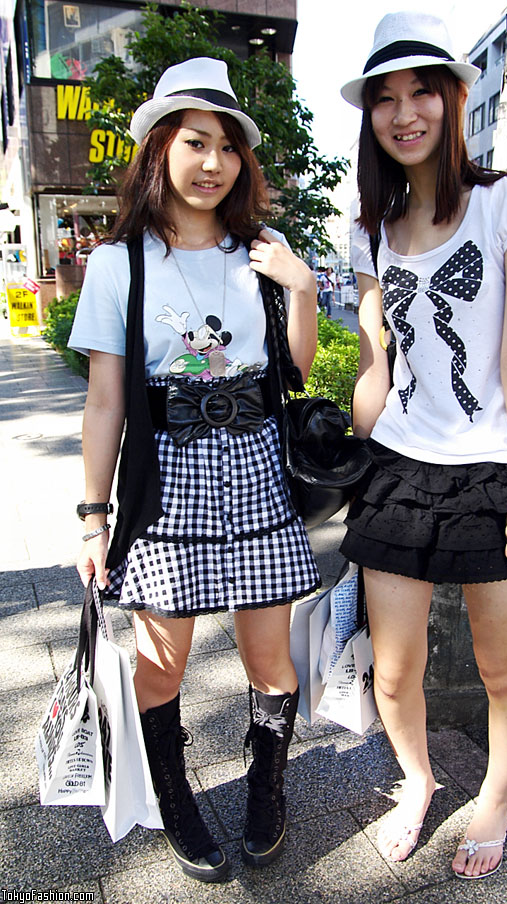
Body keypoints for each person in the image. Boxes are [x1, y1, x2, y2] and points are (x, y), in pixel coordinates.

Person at [68, 57, 320, 882]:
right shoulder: (118, 264)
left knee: (268, 660)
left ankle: (266, 787)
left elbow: (298, 373)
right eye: (195, 142)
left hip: (254, 469)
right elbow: (106, 402)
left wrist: (304, 290)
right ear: (159, 150)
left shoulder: (265, 251)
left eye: (227, 148)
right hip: (166, 479)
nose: (213, 163)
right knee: (161, 661)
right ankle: (174, 796)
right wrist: (92, 518)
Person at [339, 11, 507, 880]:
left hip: (491, 469)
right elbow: (374, 364)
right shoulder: (367, 229)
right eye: (385, 99)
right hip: (398, 466)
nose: (404, 114)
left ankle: (497, 796)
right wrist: (356, 469)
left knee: (504, 667)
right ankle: (420, 780)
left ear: (453, 96)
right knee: (392, 675)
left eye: (420, 91)